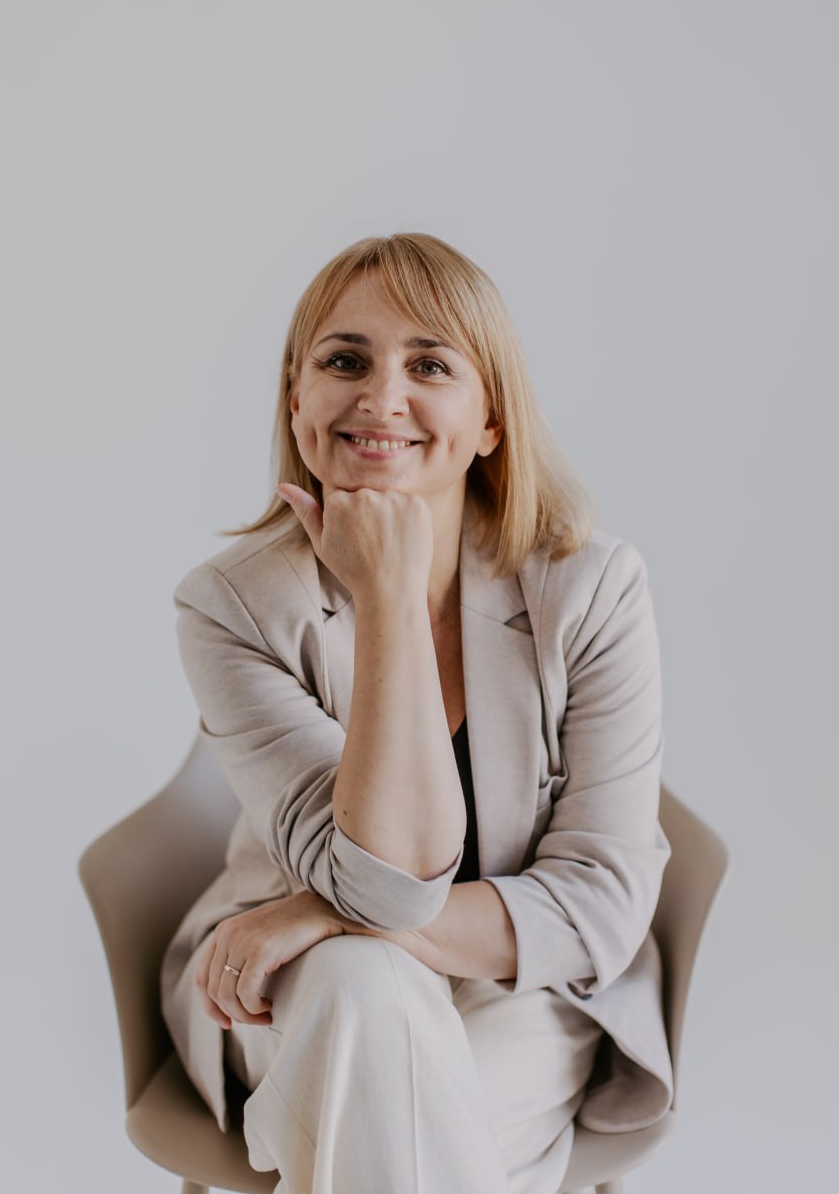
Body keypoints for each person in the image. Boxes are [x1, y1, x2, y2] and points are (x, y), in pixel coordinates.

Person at [160, 232, 673, 1194]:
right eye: (343, 361)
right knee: (363, 992)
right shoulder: (231, 603)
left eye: (429, 366)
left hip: (522, 985)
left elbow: (599, 903)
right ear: (296, 398)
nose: (380, 397)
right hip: (285, 996)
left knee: (387, 1119)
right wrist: (389, 598)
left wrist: (321, 914)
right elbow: (388, 887)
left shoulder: (591, 587)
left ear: (490, 420)